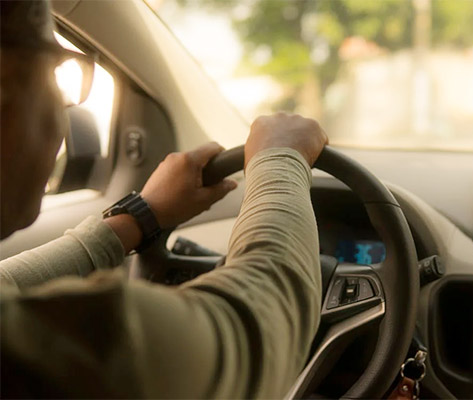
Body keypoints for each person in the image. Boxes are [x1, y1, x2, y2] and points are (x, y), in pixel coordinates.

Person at [0, 0, 327, 398]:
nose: (65, 109)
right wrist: (280, 161)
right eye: (57, 72)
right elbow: (254, 329)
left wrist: (140, 217)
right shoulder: (56, 353)